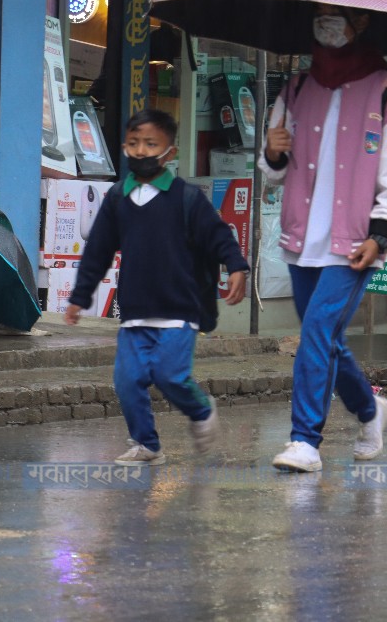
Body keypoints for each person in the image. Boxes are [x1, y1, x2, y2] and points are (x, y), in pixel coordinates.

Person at [261, 2, 387, 473]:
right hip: (301, 237)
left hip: (353, 242)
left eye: (337, 14)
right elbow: (271, 174)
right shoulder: (295, 87)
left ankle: (304, 440)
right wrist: (271, 153)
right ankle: (370, 409)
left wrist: (381, 234)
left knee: (314, 332)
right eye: (320, 14)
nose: (326, 23)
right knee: (325, 337)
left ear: (362, 23)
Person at [65, 109, 249, 466]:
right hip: (134, 313)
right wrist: (79, 297)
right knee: (128, 381)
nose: (142, 151)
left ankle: (200, 410)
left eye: (152, 144)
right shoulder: (118, 198)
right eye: (134, 143)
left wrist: (237, 265)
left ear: (170, 152)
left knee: (169, 376)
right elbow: (97, 251)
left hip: (180, 310)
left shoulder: (187, 198)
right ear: (123, 147)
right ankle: (146, 444)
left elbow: (218, 235)